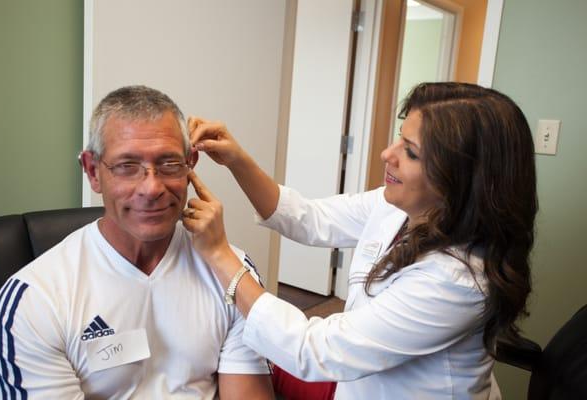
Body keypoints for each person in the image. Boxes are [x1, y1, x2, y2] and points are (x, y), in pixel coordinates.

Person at [183, 82, 537, 399]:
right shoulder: (401, 207)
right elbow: (308, 218)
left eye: (410, 152)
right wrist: (236, 160)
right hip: (356, 377)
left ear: (460, 178)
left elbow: (311, 351)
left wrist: (219, 254)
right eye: (400, 137)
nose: (388, 154)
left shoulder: (457, 281)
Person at [0, 85, 274, 399]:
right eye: (127, 166)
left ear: (190, 163)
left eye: (169, 164)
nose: (151, 188)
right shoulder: (35, 301)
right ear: (93, 171)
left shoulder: (232, 276)